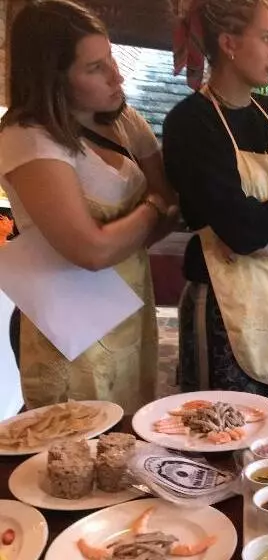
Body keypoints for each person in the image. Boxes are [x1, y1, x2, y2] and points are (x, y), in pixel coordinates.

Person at [0, 0, 177, 412]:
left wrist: (141, 219)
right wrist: (149, 209)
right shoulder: (25, 138)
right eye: (94, 68)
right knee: (79, 446)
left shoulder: (123, 119)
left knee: (132, 435)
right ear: (52, 78)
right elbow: (91, 250)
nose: (116, 76)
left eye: (110, 58)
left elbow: (171, 205)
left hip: (128, 306)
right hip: (70, 325)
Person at [162, 0, 268, 412]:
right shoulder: (191, 123)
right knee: (228, 435)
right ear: (229, 43)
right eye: (266, 38)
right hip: (226, 313)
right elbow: (241, 230)